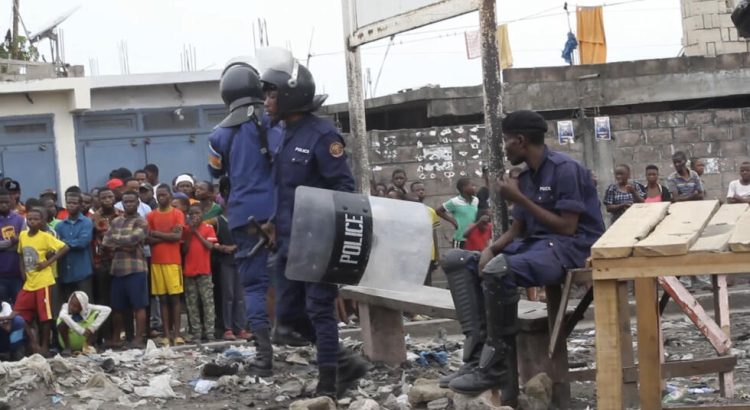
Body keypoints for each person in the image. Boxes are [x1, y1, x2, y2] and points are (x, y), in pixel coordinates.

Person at [440, 110, 604, 405]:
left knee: (499, 271)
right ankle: (476, 359)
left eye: (506, 141)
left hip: (571, 246)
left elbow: (568, 226)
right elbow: (520, 227)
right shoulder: (525, 175)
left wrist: (518, 198)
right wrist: (492, 248)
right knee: (458, 261)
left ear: (520, 139)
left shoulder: (565, 169)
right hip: (537, 244)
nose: (504, 147)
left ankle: (496, 366)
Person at [260, 50, 367, 397]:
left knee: (319, 309)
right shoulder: (284, 135)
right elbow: (287, 190)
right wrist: (275, 223)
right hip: (291, 241)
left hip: (318, 240)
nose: (266, 100)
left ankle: (329, 384)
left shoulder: (323, 136)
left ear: (290, 94)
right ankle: (345, 362)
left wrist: (327, 234)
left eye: (272, 92)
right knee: (288, 318)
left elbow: (343, 188)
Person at [207, 57, 280, 375]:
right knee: (294, 280)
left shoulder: (218, 135)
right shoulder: (272, 122)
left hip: (242, 218)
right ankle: (319, 348)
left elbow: (213, 170)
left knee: (252, 287)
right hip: (279, 214)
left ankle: (264, 358)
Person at [16, 207, 70, 355]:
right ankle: (31, 345)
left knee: (45, 316)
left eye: (35, 219)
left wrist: (48, 263)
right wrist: (23, 272)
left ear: (42, 222)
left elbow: (65, 248)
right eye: (29, 219)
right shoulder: (23, 235)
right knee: (20, 314)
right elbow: (21, 254)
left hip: (44, 281)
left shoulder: (45, 236)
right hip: (29, 282)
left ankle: (44, 346)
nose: (32, 222)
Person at [102, 191, 149, 348]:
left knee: (139, 306)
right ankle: (116, 338)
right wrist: (125, 245)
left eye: (131, 201)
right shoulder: (116, 221)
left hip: (136, 269)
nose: (128, 204)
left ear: (137, 203)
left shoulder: (141, 222)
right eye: (125, 202)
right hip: (117, 269)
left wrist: (118, 242)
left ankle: (138, 339)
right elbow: (105, 242)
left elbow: (134, 239)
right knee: (117, 307)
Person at [147, 185, 185, 346]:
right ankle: (166, 335)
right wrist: (166, 235)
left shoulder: (177, 213)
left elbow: (177, 236)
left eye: (163, 195)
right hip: (156, 262)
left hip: (173, 261)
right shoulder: (151, 215)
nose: (160, 197)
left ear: (170, 195)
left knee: (175, 298)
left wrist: (157, 234)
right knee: (162, 299)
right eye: (158, 195)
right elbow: (147, 239)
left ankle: (177, 334)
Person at [90, 188, 121, 344]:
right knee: (103, 300)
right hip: (101, 263)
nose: (107, 199)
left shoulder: (121, 214)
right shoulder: (93, 217)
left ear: (114, 198)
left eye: (110, 196)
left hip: (120, 262)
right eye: (104, 197)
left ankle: (119, 335)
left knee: (119, 300)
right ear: (99, 199)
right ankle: (105, 336)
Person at [183, 204, 217, 341]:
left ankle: (210, 332)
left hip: (204, 271)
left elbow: (210, 246)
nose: (194, 216)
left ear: (202, 213)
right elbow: (184, 250)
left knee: (207, 303)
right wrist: (190, 233)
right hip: (189, 271)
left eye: (197, 213)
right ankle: (196, 332)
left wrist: (196, 232)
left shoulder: (208, 228)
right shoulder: (186, 230)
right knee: (192, 304)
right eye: (191, 214)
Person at [214, 213, 250, 340]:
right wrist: (221, 247)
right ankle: (228, 328)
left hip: (240, 261)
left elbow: (248, 238)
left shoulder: (242, 217)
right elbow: (210, 238)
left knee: (240, 297)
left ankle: (240, 328)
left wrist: (237, 246)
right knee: (228, 296)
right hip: (226, 261)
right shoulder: (218, 221)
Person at [54, 192, 94, 304]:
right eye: (69, 202)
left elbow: (82, 242)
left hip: (82, 272)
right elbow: (55, 245)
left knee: (86, 306)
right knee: (68, 306)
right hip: (65, 273)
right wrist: (66, 244)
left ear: (80, 205)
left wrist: (64, 243)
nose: (71, 205)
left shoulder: (86, 222)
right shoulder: (59, 225)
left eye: (74, 203)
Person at [411, 181, 440, 286]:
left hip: (428, 254)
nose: (420, 192)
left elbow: (434, 234)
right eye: (417, 190)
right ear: (412, 193)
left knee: (427, 284)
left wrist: (437, 255)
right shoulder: (409, 211)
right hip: (413, 254)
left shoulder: (431, 211)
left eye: (422, 190)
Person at [436, 178, 478, 249]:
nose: (475, 188)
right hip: (460, 239)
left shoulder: (476, 200)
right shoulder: (455, 201)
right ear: (464, 188)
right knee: (459, 259)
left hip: (474, 238)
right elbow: (438, 211)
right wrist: (453, 221)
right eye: (472, 186)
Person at [0, 188, 26, 304]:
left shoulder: (20, 220)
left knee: (19, 307)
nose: (4, 205)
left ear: (11, 201)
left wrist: (5, 246)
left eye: (6, 202)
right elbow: (15, 242)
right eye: (0, 202)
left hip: (17, 273)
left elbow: (23, 242)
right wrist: (11, 242)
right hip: (1, 275)